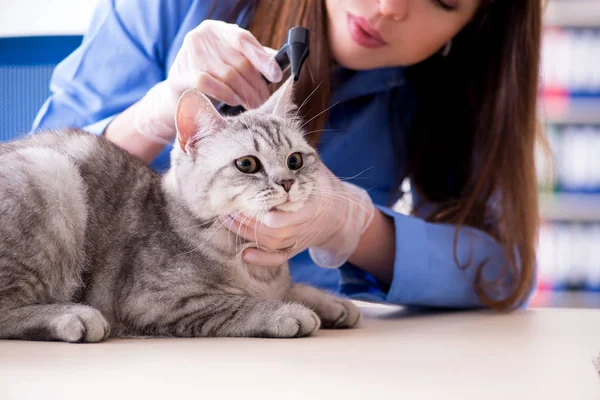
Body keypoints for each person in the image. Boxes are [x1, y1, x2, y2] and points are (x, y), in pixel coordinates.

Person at [32, 0, 542, 310]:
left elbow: (504, 273)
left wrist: (352, 226)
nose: (390, 7)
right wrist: (152, 117)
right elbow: (28, 192)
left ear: (473, 27)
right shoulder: (163, 7)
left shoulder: (449, 91)